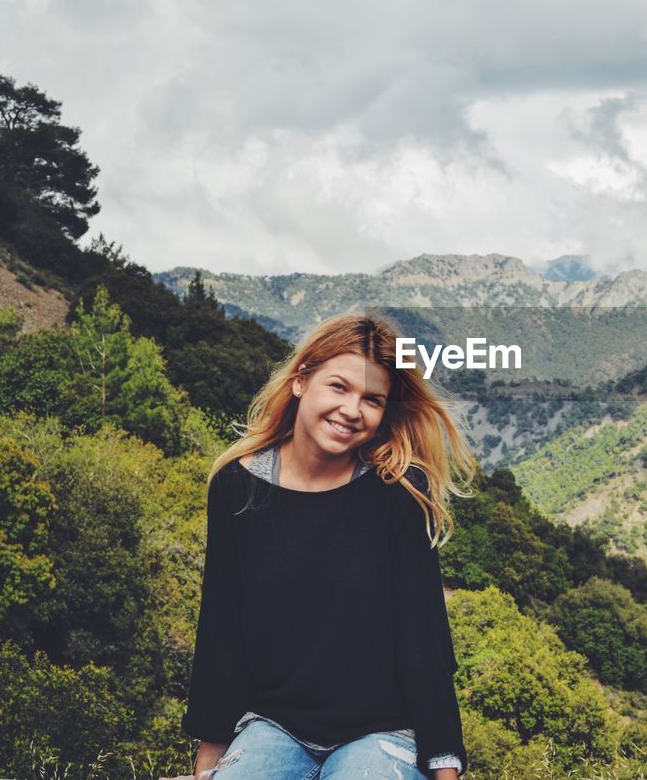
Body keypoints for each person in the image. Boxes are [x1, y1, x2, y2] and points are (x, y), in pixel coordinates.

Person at [164, 313, 475, 779]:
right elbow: (221, 630)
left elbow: (423, 640)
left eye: (372, 400)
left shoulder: (399, 492)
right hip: (274, 726)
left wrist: (444, 766)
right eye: (339, 387)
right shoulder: (236, 486)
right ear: (300, 381)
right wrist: (209, 765)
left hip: (383, 731)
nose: (353, 410)